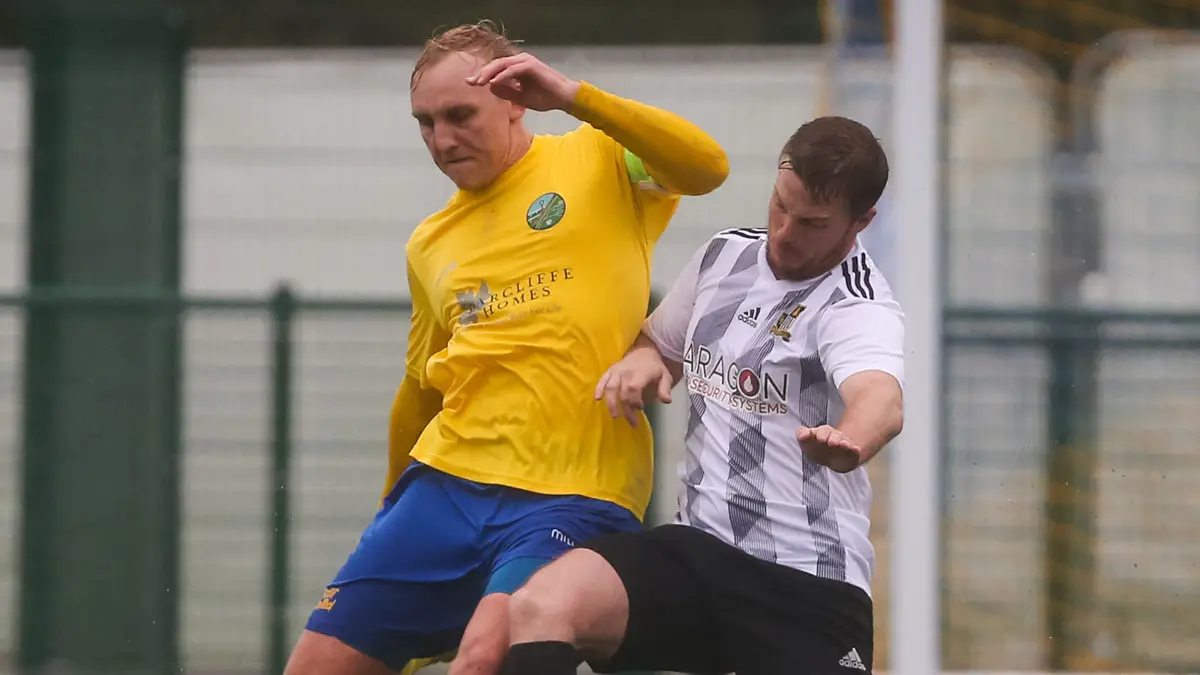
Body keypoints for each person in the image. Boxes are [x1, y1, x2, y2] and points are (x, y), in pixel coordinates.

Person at [283, 20, 729, 675]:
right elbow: (422, 390)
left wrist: (574, 96)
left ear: (516, 100)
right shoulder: (430, 243)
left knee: (485, 656)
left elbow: (708, 167)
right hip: (444, 484)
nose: (442, 139)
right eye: (426, 123)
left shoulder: (599, 158)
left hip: (571, 491)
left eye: (460, 115)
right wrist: (390, 512)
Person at [499, 116, 904, 675]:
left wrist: (850, 440)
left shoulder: (856, 303)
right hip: (696, 555)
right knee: (541, 606)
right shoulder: (724, 256)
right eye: (780, 205)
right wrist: (643, 361)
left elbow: (881, 397)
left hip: (804, 584)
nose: (785, 232)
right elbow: (660, 342)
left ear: (861, 221)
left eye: (812, 223)